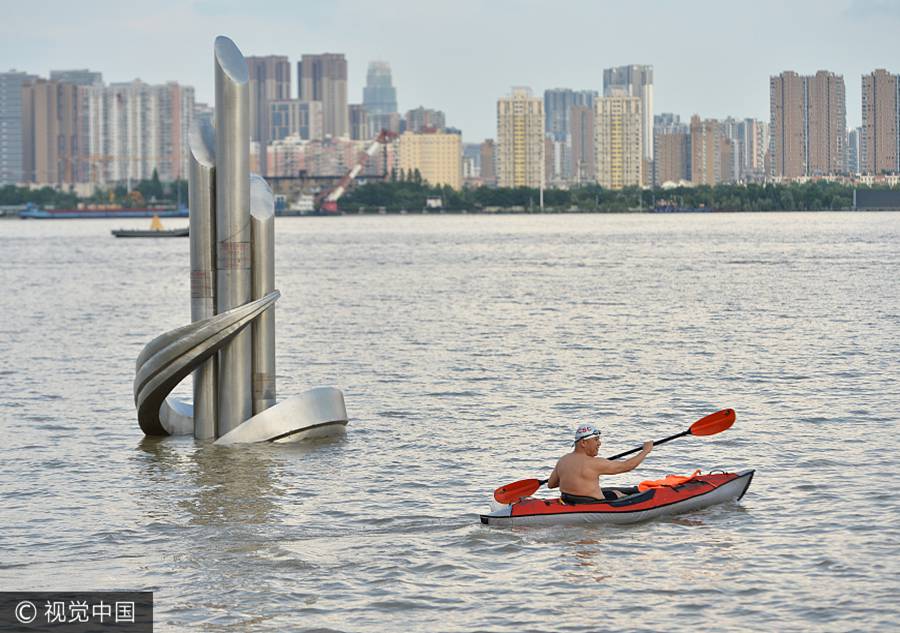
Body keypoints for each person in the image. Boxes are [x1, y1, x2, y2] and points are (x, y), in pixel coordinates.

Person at [547, 423, 653, 503]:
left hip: (570, 500)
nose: (599, 443)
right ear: (584, 443)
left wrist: (571, 477)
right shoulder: (595, 463)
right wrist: (645, 451)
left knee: (612, 491)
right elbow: (627, 466)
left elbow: (551, 484)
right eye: (596, 440)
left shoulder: (563, 460)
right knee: (618, 494)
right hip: (592, 504)